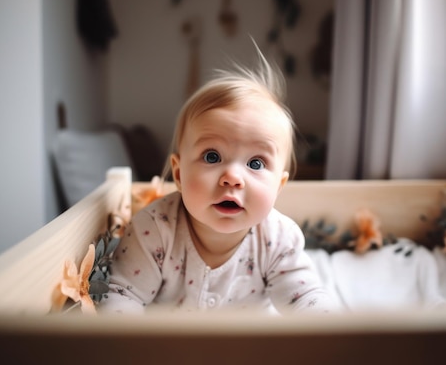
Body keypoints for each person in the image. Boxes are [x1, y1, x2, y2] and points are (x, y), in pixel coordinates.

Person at [100, 46, 338, 314]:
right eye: (212, 156)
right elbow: (123, 295)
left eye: (256, 163)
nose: (233, 178)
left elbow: (305, 298)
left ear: (278, 187)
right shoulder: (154, 230)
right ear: (178, 174)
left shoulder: (278, 238)